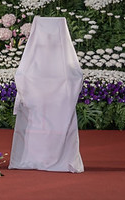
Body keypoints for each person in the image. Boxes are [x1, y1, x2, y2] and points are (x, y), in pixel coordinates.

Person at [10, 16, 84, 172]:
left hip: (49, 99)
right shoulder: (55, 54)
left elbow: (22, 74)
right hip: (45, 99)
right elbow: (75, 76)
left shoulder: (49, 52)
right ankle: (42, 159)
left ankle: (31, 159)